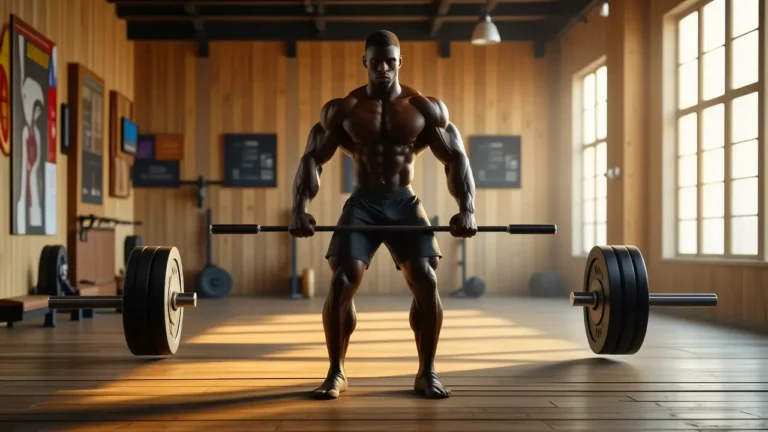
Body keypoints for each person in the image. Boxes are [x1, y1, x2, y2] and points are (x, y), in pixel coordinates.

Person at [289, 30, 477, 400]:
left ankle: (427, 372)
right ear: (365, 63)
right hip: (363, 204)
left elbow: (455, 157)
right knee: (343, 281)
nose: (383, 68)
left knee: (425, 279)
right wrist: (299, 208)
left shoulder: (424, 108)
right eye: (376, 61)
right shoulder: (344, 109)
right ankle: (336, 371)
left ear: (400, 62)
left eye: (390, 61)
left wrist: (466, 209)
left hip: (404, 202)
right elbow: (313, 157)